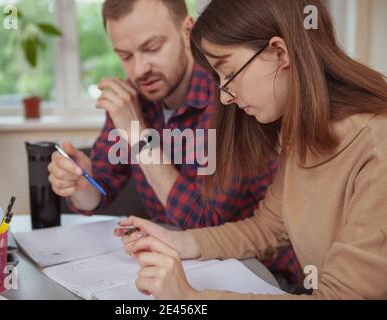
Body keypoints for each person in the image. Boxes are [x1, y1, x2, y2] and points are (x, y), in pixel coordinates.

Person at [115, 0, 387, 300]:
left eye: (228, 73)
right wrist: (177, 241)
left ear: (279, 53)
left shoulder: (377, 147)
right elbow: (268, 228)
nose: (225, 96)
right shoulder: (298, 132)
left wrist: (190, 299)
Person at [47, 0, 302, 286]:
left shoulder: (230, 95)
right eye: (125, 56)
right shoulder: (133, 100)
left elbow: (204, 223)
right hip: (179, 264)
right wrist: (80, 183)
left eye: (152, 48)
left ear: (187, 32)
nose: (140, 69)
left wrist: (139, 135)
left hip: (259, 273)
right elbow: (98, 193)